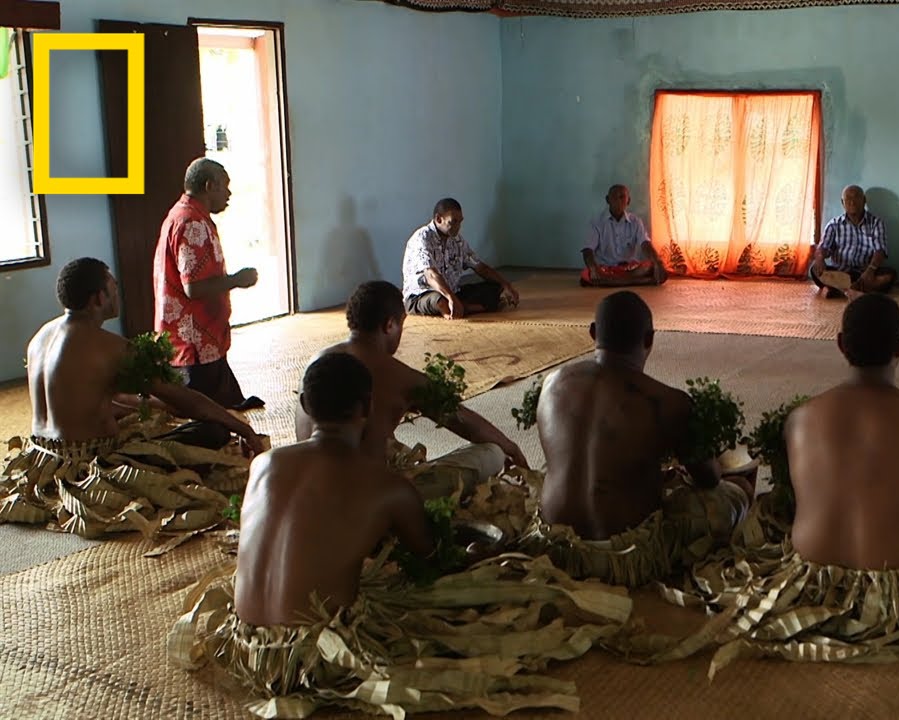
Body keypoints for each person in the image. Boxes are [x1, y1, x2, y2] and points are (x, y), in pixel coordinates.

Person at [169, 352, 633, 718]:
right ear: (367, 409)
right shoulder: (385, 485)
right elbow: (432, 560)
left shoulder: (262, 465)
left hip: (248, 643)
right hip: (316, 655)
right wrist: (480, 553)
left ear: (306, 407)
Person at [631, 295, 899, 671]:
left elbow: (794, 496)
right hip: (892, 593)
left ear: (839, 345)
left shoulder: (799, 419)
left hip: (806, 582)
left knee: (776, 507)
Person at [1, 258, 264, 539]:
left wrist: (151, 405)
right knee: (212, 430)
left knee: (154, 414)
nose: (117, 293)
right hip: (91, 467)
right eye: (113, 286)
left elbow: (77, 402)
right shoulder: (110, 347)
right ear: (99, 297)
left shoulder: (40, 337)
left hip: (43, 461)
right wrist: (242, 427)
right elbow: (186, 399)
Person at [519, 291, 752, 588]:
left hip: (550, 548)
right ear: (649, 339)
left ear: (593, 333)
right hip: (623, 556)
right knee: (737, 491)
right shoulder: (670, 402)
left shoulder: (551, 382)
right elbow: (707, 479)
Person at [295, 281, 529, 501]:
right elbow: (462, 420)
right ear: (390, 325)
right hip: (367, 499)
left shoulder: (316, 364)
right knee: (492, 454)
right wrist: (510, 447)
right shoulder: (400, 376)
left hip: (307, 488)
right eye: (402, 324)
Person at [153, 157, 264, 411]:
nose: (229, 193)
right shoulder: (191, 223)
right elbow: (193, 287)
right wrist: (237, 280)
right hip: (195, 343)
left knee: (227, 406)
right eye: (224, 186)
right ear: (208, 185)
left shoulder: (184, 214)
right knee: (208, 419)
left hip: (200, 340)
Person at [401, 198, 519, 319]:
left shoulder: (456, 240)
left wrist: (506, 285)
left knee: (496, 287)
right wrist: (451, 298)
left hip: (453, 292)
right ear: (438, 219)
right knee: (440, 300)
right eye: (453, 222)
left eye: (460, 222)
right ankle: (462, 307)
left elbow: (479, 266)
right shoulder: (422, 238)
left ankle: (461, 307)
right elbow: (431, 275)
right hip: (421, 295)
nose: (458, 227)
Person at [809, 185, 897, 299]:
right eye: (848, 198)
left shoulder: (876, 223)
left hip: (865, 272)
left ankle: (837, 290)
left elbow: (880, 250)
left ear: (864, 200)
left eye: (856, 197)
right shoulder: (834, 224)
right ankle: (858, 291)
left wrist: (870, 270)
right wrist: (820, 258)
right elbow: (823, 247)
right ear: (842, 202)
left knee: (890, 275)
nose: (852, 202)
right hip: (841, 272)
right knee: (815, 269)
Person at [581, 184, 668, 287]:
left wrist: (658, 262)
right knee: (587, 273)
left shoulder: (636, 221)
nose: (618, 200)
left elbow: (645, 243)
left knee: (652, 267)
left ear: (628, 201)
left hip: (630, 269)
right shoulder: (596, 222)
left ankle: (613, 282)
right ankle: (639, 282)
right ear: (607, 200)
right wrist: (594, 269)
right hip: (606, 269)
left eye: (622, 197)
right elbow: (587, 250)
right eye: (614, 197)